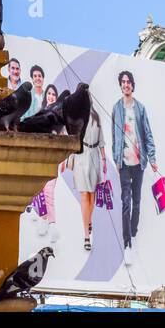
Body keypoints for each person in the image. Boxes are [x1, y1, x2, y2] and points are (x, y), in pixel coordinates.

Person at [110, 70, 157, 259]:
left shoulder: (140, 108)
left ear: (132, 85)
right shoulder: (116, 108)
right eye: (123, 82)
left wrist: (152, 159)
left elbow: (148, 134)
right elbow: (114, 136)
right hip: (124, 162)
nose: (126, 84)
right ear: (120, 85)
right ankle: (127, 241)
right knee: (125, 203)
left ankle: (134, 233)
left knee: (136, 203)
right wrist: (116, 158)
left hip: (139, 162)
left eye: (128, 82)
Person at [68, 103, 106, 251]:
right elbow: (72, 139)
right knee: (84, 195)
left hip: (94, 155)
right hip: (81, 156)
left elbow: (101, 140)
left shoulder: (96, 116)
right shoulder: (76, 117)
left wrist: (103, 159)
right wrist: (68, 158)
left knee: (92, 195)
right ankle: (86, 236)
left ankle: (89, 220)